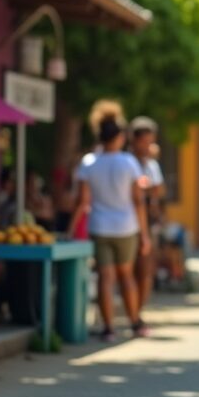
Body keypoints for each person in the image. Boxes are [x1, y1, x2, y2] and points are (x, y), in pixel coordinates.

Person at [76, 115, 151, 341]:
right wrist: (144, 233)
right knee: (126, 275)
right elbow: (138, 200)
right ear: (119, 137)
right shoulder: (128, 162)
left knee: (104, 277)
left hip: (99, 226)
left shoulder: (89, 162)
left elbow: (83, 201)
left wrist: (73, 228)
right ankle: (135, 322)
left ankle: (108, 327)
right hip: (127, 227)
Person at [129, 116, 165, 308]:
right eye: (145, 141)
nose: (148, 145)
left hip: (147, 221)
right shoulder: (126, 162)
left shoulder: (151, 165)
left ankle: (138, 312)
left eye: (151, 141)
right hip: (127, 222)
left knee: (145, 271)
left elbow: (159, 190)